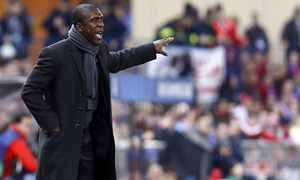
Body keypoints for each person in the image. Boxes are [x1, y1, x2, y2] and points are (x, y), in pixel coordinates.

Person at [21, 3, 173, 180]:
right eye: (94, 20)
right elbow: (29, 91)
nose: (101, 24)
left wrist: (151, 48)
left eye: (101, 20)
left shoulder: (100, 49)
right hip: (63, 140)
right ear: (80, 26)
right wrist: (53, 124)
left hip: (91, 139)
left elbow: (118, 60)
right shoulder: (54, 54)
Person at [0, 113, 37, 179]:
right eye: (27, 125)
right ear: (17, 124)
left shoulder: (7, 133)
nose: (29, 130)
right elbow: (31, 166)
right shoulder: (15, 141)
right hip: (6, 176)